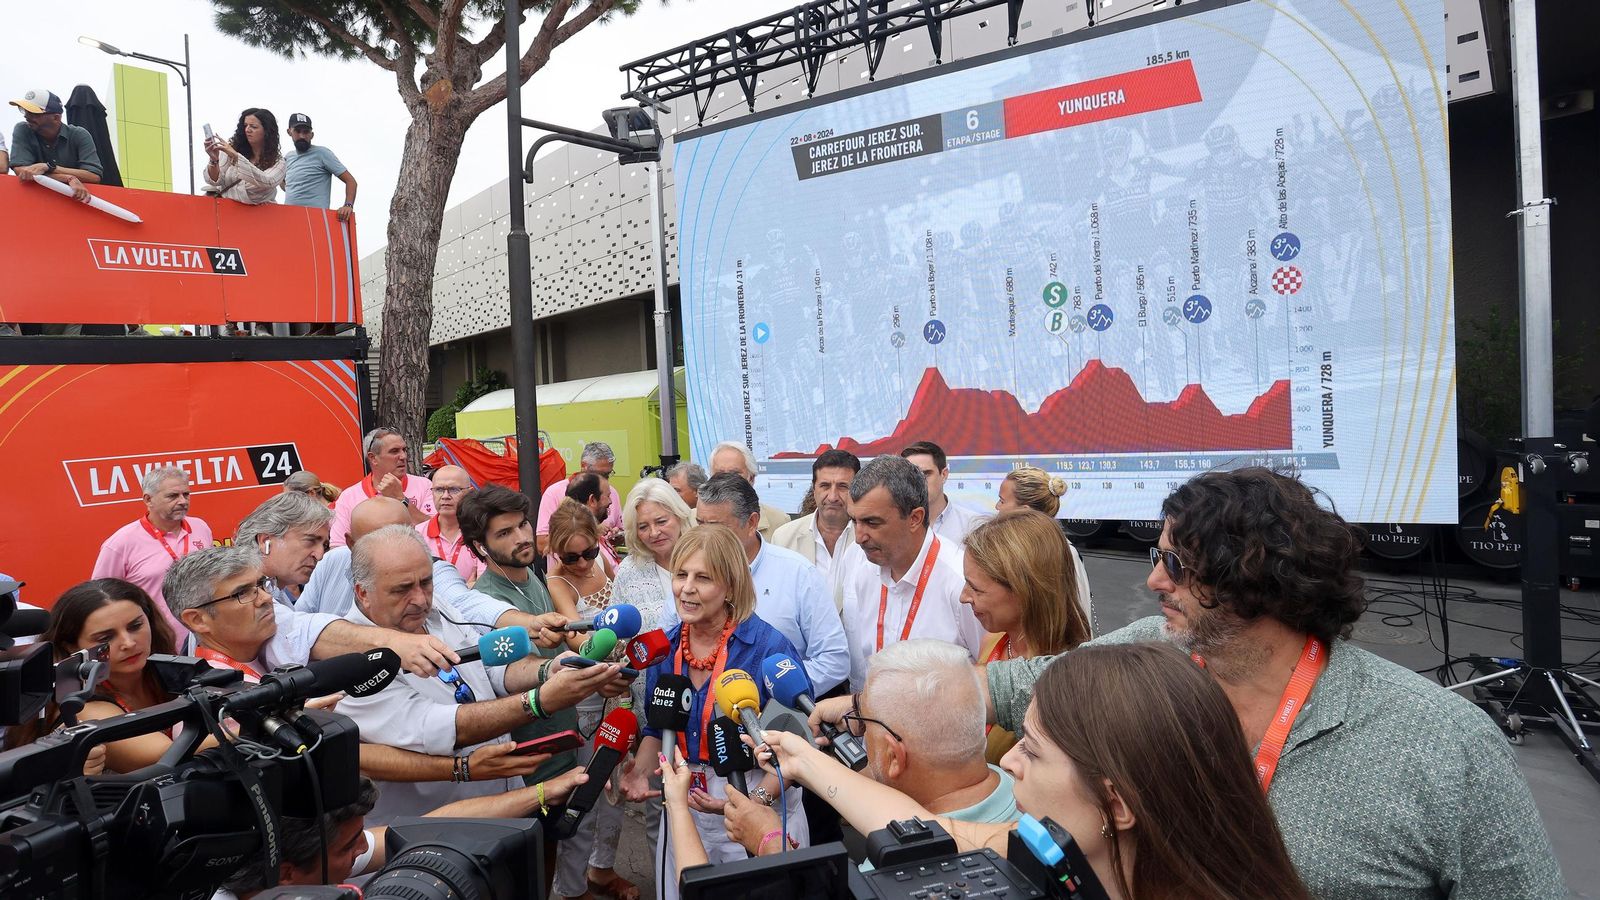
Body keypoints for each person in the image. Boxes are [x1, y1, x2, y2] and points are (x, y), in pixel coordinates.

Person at [884, 468, 1564, 899]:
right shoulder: (1157, 652)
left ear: (1256, 576)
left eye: (1175, 564)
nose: (1153, 581)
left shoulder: (1443, 746)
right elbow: (1018, 684)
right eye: (1158, 557)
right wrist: (872, 706)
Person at [768, 643, 1313, 900]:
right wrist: (803, 759)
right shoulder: (1072, 854)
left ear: (1116, 804)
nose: (1005, 761)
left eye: (1031, 749)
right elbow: (930, 831)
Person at [333, 524, 628, 824]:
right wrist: (539, 701)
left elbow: (490, 670)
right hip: (427, 834)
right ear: (363, 593)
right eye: (402, 589)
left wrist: (547, 670)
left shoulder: (438, 609)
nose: (421, 599)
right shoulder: (351, 660)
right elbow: (443, 727)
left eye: (426, 582)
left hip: (502, 808)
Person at [619, 525, 810, 900]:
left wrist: (754, 801)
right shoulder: (665, 648)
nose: (686, 587)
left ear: (732, 587)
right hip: (685, 802)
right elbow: (658, 729)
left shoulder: (770, 649)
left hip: (756, 798)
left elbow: (797, 753)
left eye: (703, 578)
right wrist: (640, 773)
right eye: (680, 574)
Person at [721, 639, 1018, 869]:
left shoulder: (896, 868)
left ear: (893, 757)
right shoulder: (1027, 802)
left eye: (864, 722)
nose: (856, 729)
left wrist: (771, 845)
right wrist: (805, 762)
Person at [455, 484, 595, 899]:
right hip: (524, 760)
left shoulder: (532, 578)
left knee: (551, 849)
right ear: (479, 547)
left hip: (560, 743)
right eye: (504, 533)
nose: (520, 538)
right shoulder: (482, 605)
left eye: (522, 525)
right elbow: (507, 680)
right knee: (524, 870)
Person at [215, 773, 590, 900]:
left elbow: (428, 825)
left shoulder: (305, 862)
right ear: (286, 875)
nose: (366, 849)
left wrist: (540, 793)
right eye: (349, 847)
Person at [670, 474, 849, 695]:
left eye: (716, 527)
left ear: (752, 523)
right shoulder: (687, 580)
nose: (706, 536)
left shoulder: (798, 574)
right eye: (700, 524)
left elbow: (834, 660)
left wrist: (768, 690)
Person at [0, 579, 200, 773]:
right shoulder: (80, 707)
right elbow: (165, 755)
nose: (128, 643)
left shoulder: (169, 672)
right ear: (71, 646)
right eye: (105, 638)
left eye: (135, 626)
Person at [840, 455, 983, 691]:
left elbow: (991, 681)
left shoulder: (961, 582)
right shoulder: (862, 569)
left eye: (872, 522)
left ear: (915, 518)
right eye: (854, 521)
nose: (859, 537)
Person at [961, 511, 1091, 763]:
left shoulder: (1064, 681)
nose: (963, 597)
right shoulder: (994, 639)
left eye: (975, 588)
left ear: (1024, 591)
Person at [92, 466, 214, 652]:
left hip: (205, 636)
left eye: (186, 494)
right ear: (148, 500)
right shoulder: (120, 543)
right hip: (157, 644)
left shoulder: (200, 527)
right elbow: (101, 597)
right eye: (173, 496)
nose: (182, 501)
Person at [994, 465, 1094, 630]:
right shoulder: (1011, 548)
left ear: (1024, 511)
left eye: (1002, 501)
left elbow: (1078, 619)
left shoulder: (1063, 553)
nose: (997, 506)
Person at [163, 546, 277, 679]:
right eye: (242, 593)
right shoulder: (225, 691)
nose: (266, 598)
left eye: (262, 584)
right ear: (197, 620)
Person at [772, 449, 865, 610]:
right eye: (825, 486)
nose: (832, 496)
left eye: (843, 486)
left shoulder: (869, 537)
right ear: (814, 490)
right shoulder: (783, 538)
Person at [330, 428, 434, 546]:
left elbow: (435, 533)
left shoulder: (425, 485)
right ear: (373, 458)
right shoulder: (349, 497)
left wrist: (401, 499)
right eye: (394, 451)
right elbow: (338, 547)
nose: (403, 456)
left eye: (404, 450)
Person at [613, 477, 693, 626]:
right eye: (643, 527)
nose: (654, 533)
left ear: (679, 515)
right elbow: (614, 632)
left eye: (661, 522)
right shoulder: (629, 571)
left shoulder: (705, 558)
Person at [235, 491, 332, 605]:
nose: (320, 555)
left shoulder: (273, 591)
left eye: (325, 546)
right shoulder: (241, 597)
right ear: (265, 540)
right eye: (310, 541)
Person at [9, 88, 101, 204]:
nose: (26, 116)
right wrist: (67, 177)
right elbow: (22, 171)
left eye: (33, 113)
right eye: (24, 110)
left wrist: (48, 167)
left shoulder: (79, 134)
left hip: (75, 202)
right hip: (35, 200)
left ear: (56, 118)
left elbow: (93, 176)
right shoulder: (23, 129)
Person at [538, 442, 624, 553]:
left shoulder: (612, 493)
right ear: (584, 466)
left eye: (608, 474)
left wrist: (617, 536)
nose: (604, 480)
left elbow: (621, 533)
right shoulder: (554, 493)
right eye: (601, 474)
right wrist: (592, 530)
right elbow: (541, 545)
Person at [900, 440, 984, 547]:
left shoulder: (974, 527)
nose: (918, 482)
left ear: (944, 475)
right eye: (911, 476)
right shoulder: (894, 527)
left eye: (925, 474)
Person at [282, 113, 357, 220]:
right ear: (289, 132)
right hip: (290, 218)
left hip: (316, 219)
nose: (302, 136)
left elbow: (351, 181)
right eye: (298, 131)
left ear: (312, 134)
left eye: (306, 132)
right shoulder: (287, 158)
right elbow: (282, 182)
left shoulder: (322, 153)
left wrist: (348, 205)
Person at [202, 108, 284, 205]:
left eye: (253, 127)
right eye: (245, 126)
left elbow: (268, 182)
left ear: (267, 131)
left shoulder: (278, 161)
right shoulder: (231, 149)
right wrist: (214, 159)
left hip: (262, 216)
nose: (247, 130)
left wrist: (236, 157)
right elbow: (215, 181)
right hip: (227, 212)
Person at [709, 441, 790, 537]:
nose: (726, 480)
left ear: (751, 478)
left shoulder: (779, 521)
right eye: (720, 474)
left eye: (735, 474)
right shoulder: (692, 521)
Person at [419, 465, 483, 585]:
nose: (445, 496)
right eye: (439, 490)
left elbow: (483, 584)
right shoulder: (417, 535)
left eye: (454, 490)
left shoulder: (481, 532)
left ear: (469, 493)